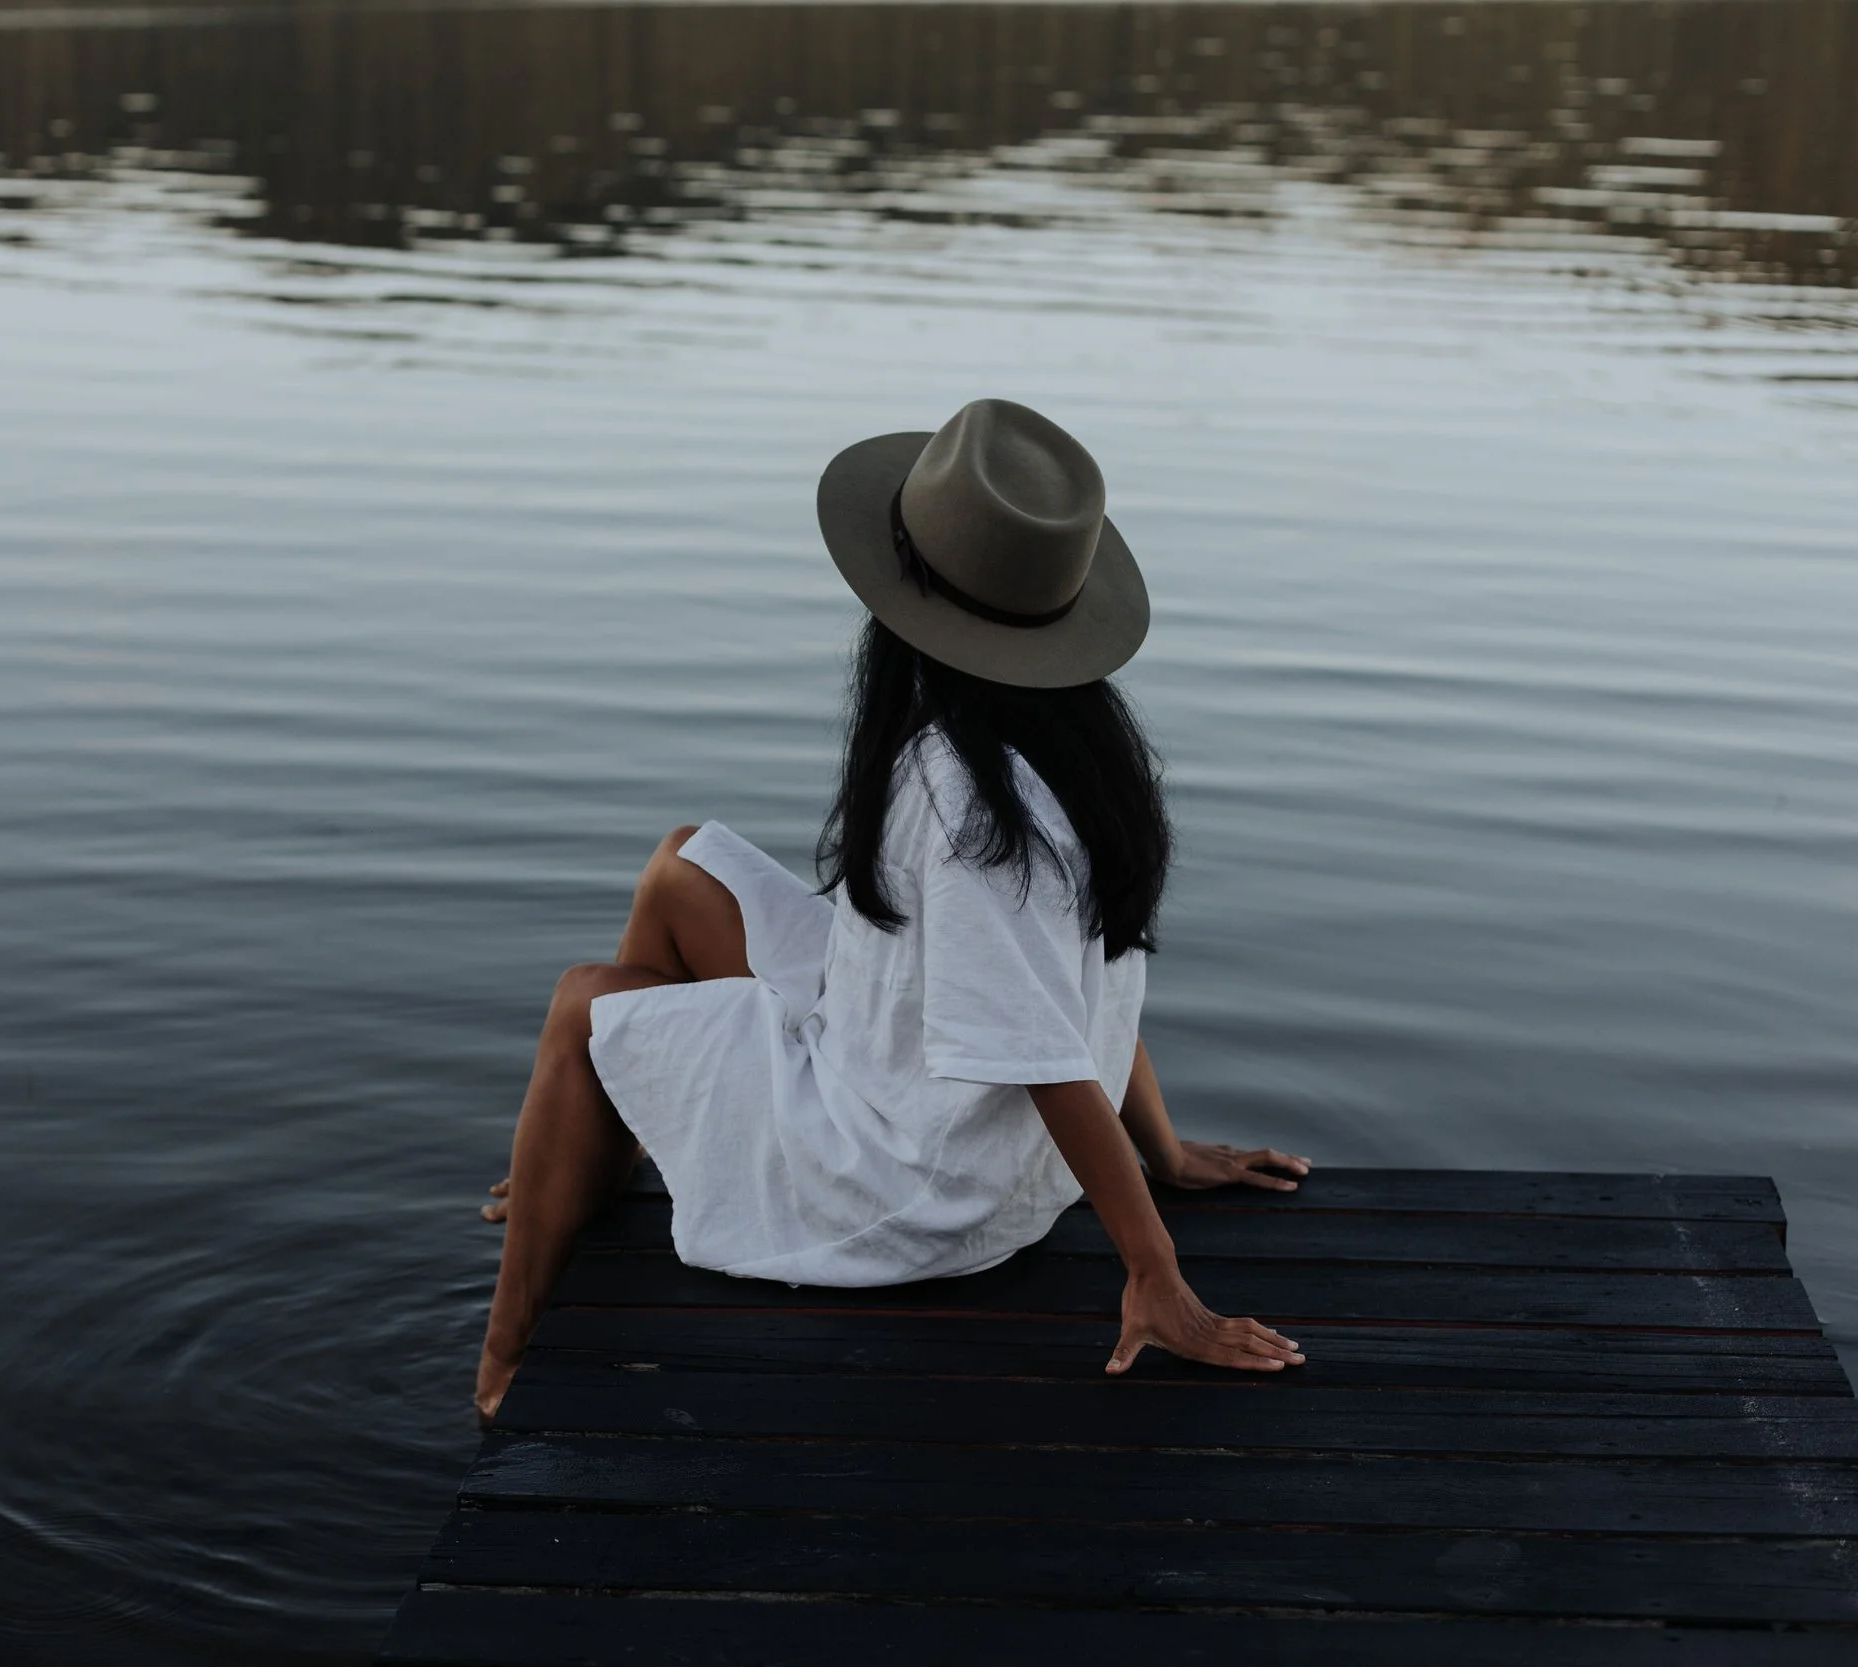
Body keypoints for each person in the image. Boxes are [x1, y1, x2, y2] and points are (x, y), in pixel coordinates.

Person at [473, 398, 1310, 1423]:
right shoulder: (1084, 755)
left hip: (911, 1182)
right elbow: (1083, 987)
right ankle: (605, 1146)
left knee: (582, 1002)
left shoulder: (959, 798)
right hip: (925, 1083)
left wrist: (1156, 1270)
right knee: (683, 864)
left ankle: (506, 1360)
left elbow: (1043, 1044)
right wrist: (1166, 1152)